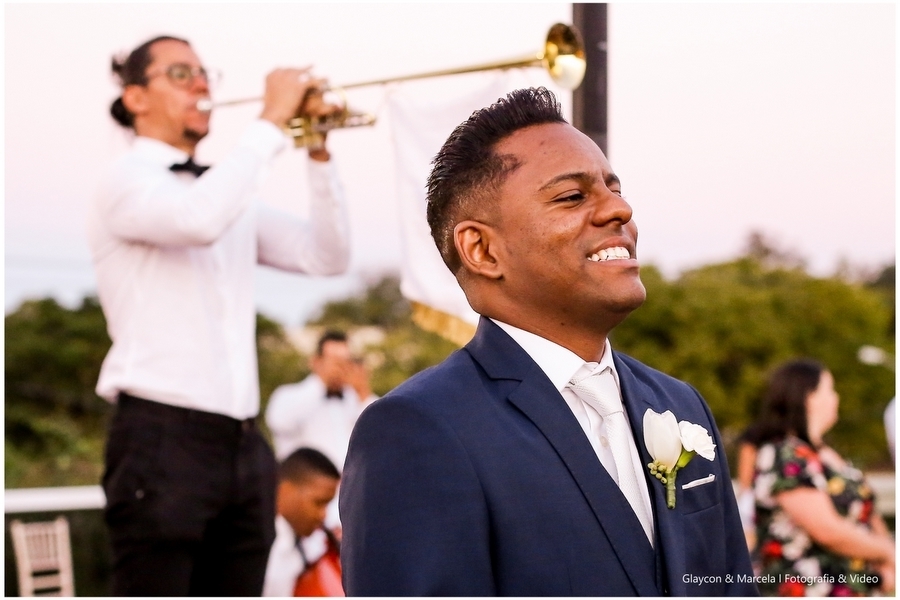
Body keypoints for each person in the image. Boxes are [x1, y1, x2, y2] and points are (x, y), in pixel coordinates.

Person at [339, 87, 756, 596]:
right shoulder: (418, 429)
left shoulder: (679, 404)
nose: (618, 210)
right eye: (572, 196)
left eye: (614, 188)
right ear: (482, 249)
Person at [89, 35, 350, 596]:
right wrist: (272, 120)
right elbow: (196, 220)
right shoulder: (125, 181)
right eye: (181, 73)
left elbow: (327, 257)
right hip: (160, 438)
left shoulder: (224, 195)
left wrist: (319, 151)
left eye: (205, 72)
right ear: (135, 97)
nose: (202, 84)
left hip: (242, 445)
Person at [750, 358, 895, 596]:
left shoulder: (828, 455)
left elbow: (867, 512)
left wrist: (884, 558)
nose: (835, 398)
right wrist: (887, 552)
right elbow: (826, 530)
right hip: (807, 587)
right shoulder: (783, 456)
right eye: (829, 389)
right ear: (808, 396)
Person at [266, 330, 377, 468]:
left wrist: (363, 392)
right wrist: (322, 383)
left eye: (346, 361)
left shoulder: (354, 398)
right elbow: (281, 423)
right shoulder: (288, 395)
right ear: (315, 362)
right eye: (336, 361)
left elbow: (379, 432)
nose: (342, 367)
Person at [263, 447, 344, 597]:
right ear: (285, 490)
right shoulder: (265, 550)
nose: (323, 515)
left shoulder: (311, 543)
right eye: (319, 503)